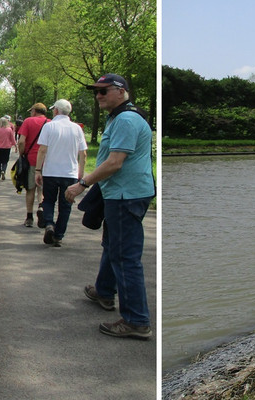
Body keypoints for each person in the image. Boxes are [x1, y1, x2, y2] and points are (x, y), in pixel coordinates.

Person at [65, 74, 154, 340]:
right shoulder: (119, 116)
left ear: (121, 91)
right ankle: (104, 291)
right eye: (96, 91)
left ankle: (136, 320)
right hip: (120, 192)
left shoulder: (126, 119)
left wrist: (82, 183)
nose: (98, 96)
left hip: (126, 195)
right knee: (112, 245)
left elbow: (115, 162)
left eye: (103, 91)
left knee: (125, 257)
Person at [34, 99, 87, 247]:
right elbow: (83, 153)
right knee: (66, 205)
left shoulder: (49, 126)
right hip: (70, 173)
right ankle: (58, 236)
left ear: (56, 110)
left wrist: (38, 170)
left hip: (51, 171)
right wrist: (81, 173)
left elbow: (42, 150)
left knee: (48, 200)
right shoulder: (77, 129)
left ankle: (49, 224)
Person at [17, 103, 50, 228]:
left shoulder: (28, 121)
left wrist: (22, 154)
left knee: (30, 189)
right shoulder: (50, 123)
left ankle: (29, 217)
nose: (31, 113)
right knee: (42, 188)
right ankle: (41, 207)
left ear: (35, 111)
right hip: (46, 161)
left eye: (31, 111)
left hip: (31, 160)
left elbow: (21, 141)